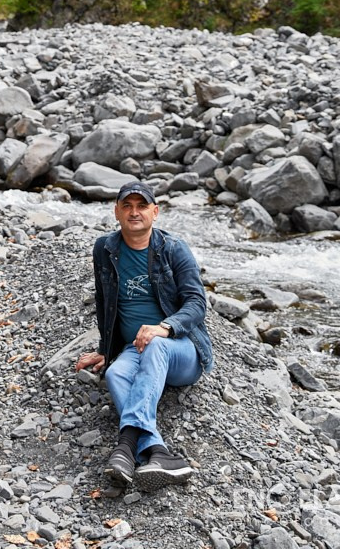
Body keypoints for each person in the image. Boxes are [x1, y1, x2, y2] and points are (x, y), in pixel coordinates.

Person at [75, 181, 213, 491]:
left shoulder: (173, 249)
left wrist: (165, 327)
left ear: (155, 212)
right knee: (116, 373)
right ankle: (158, 453)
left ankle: (125, 446)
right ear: (116, 212)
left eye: (141, 206)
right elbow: (104, 303)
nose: (134, 212)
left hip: (181, 351)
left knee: (156, 347)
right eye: (127, 206)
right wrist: (105, 351)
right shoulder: (105, 249)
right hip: (134, 348)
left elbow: (196, 304)